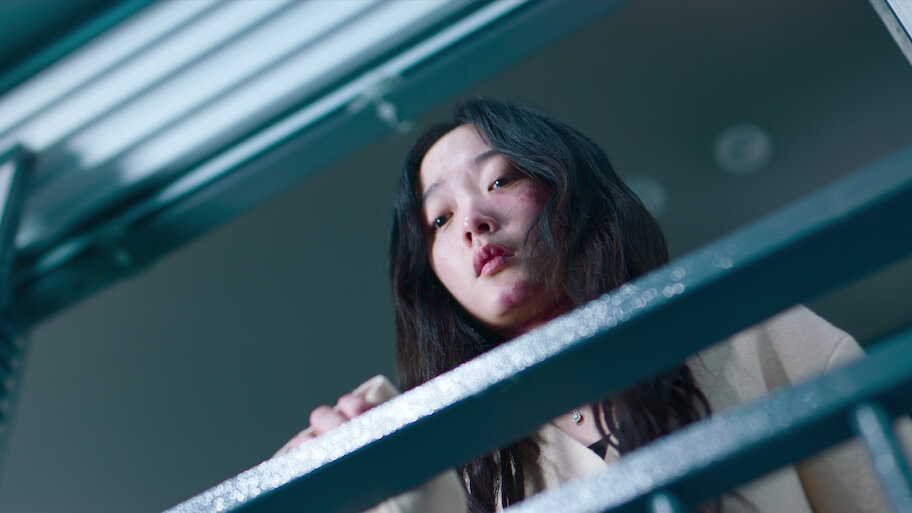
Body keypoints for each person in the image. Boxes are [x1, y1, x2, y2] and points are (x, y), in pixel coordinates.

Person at [277, 98, 900, 512]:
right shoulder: (455, 473)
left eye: (500, 179)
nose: (472, 221)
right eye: (439, 219)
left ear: (567, 188)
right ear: (431, 277)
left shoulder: (754, 334)